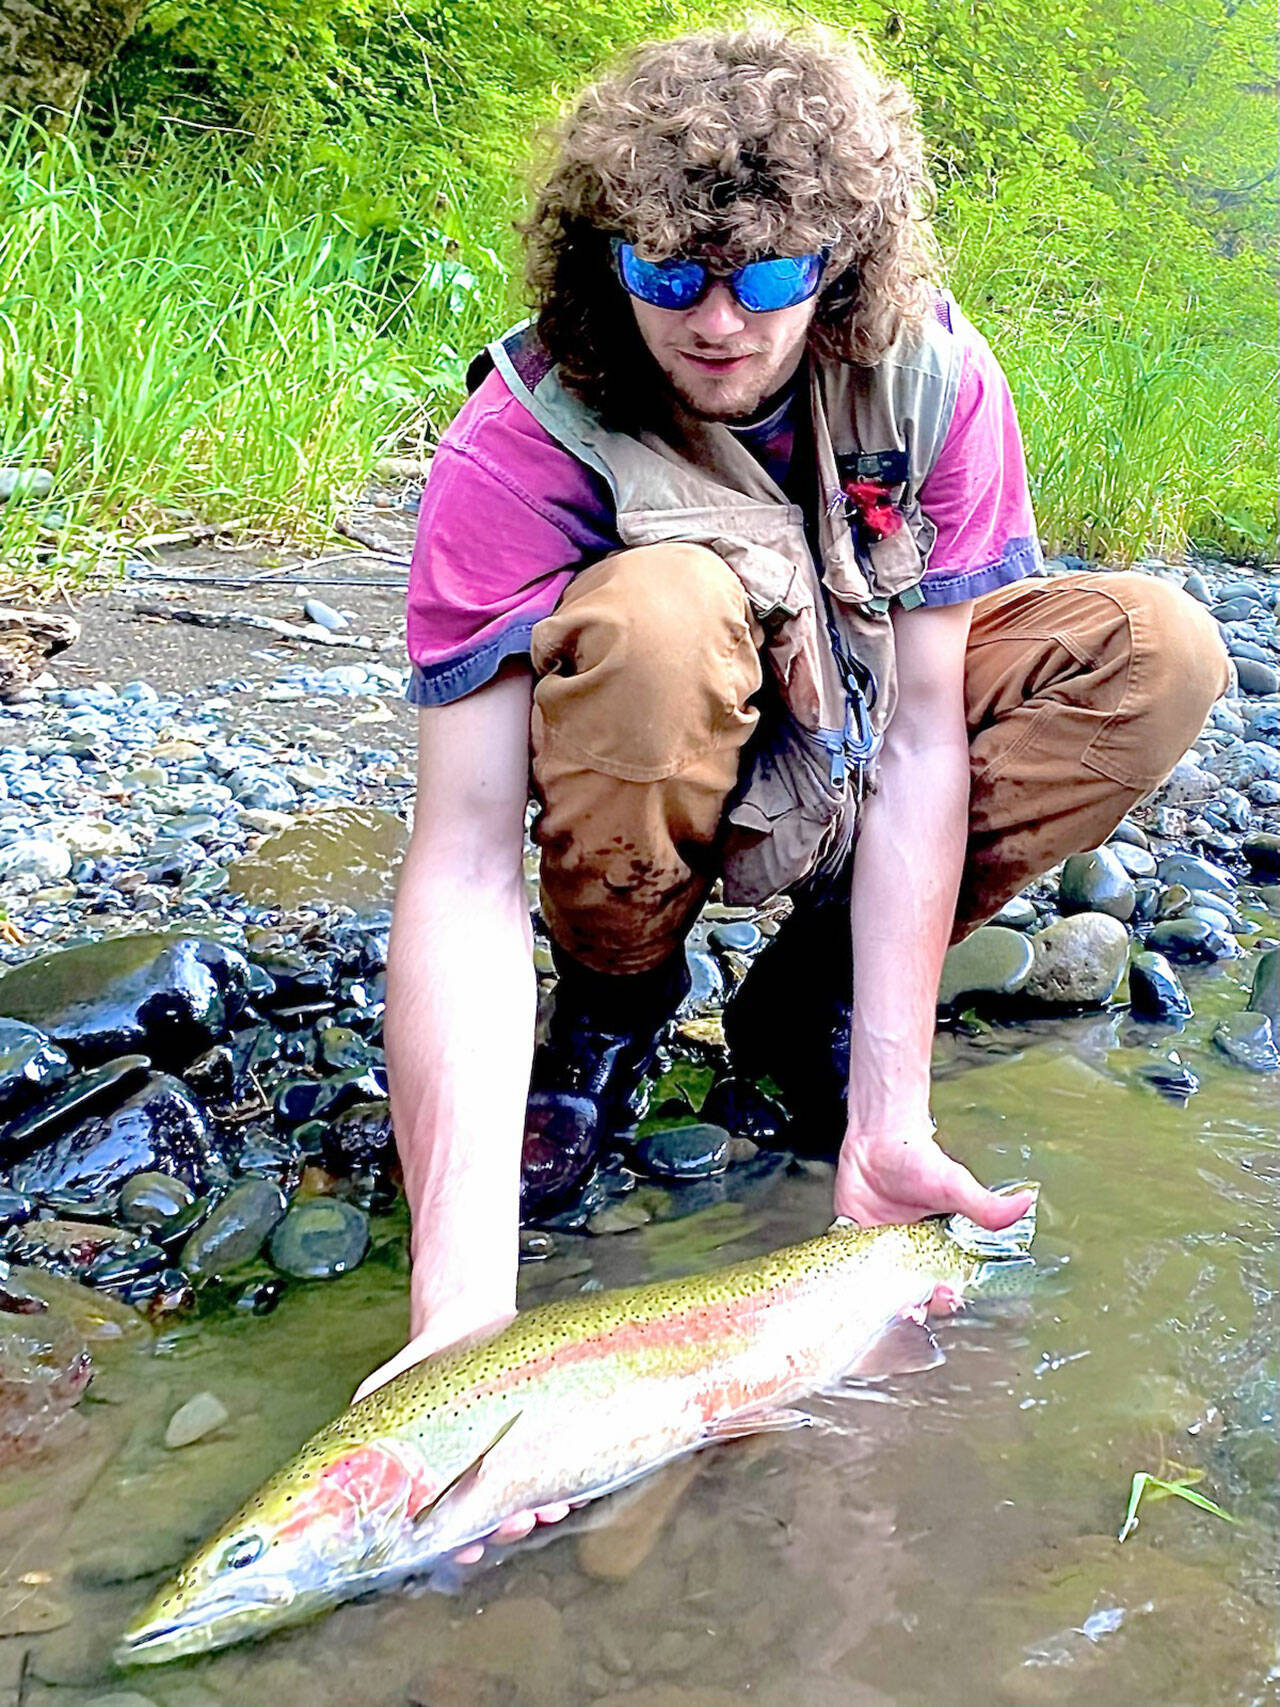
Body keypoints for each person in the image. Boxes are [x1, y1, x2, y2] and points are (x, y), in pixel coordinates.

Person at [358, 24, 1227, 1496]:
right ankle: (616, 1014)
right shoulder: (518, 445)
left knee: (1163, 649)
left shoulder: (937, 380)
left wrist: (892, 1112)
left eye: (766, 277)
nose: (715, 321)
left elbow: (930, 740)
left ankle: (804, 1004)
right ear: (603, 258)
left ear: (839, 263)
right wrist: (461, 1313)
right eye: (664, 275)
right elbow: (456, 855)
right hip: (655, 744)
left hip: (860, 728)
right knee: (656, 613)